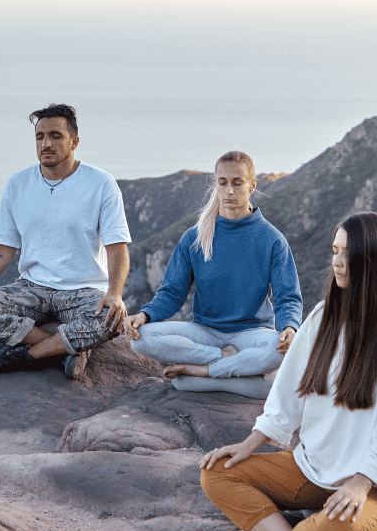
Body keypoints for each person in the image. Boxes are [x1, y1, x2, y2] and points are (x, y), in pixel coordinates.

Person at [188, 211, 377, 531]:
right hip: (316, 469)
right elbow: (287, 393)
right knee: (217, 472)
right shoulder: (323, 316)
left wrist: (361, 482)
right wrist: (251, 443)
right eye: (334, 251)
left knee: (341, 524)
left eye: (347, 253)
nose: (337, 261)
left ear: (373, 260)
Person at [0, 103, 131, 380]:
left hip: (83, 290)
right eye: (40, 137)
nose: (46, 143)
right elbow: (4, 249)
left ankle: (27, 355)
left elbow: (117, 246)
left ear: (74, 142)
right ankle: (61, 348)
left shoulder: (101, 183)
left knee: (110, 321)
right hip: (32, 288)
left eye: (55, 136)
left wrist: (115, 293)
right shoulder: (18, 184)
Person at [126, 151, 302, 398]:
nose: (229, 191)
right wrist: (145, 315)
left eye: (237, 183)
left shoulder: (272, 240)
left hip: (252, 333)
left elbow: (288, 297)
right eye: (223, 183)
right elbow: (172, 293)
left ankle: (198, 374)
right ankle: (227, 364)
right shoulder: (195, 237)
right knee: (140, 339)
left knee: (276, 350)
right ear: (216, 184)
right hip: (204, 332)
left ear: (252, 186)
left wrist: (290, 327)